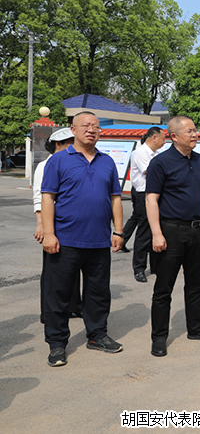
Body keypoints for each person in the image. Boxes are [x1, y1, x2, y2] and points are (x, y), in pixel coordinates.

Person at [41, 111, 125, 367]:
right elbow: (48, 197)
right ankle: (57, 344)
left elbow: (115, 198)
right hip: (64, 240)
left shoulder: (107, 162)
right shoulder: (58, 160)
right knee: (59, 294)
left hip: (99, 240)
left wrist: (119, 231)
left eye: (96, 127)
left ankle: (97, 335)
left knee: (98, 293)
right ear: (73, 130)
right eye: (86, 126)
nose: (91, 130)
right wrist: (49, 233)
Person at [145, 116, 200, 357]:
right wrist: (156, 233)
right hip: (171, 230)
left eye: (196, 130)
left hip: (198, 230)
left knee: (197, 282)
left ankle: (196, 327)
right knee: (164, 287)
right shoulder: (161, 163)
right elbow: (151, 199)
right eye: (189, 131)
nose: (195, 134)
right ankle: (159, 337)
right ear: (174, 136)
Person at [33, 128, 80, 324]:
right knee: (52, 271)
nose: (73, 146)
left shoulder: (75, 162)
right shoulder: (46, 165)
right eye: (69, 143)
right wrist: (41, 225)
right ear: (58, 145)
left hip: (72, 224)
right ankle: (48, 311)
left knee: (74, 267)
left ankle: (75, 306)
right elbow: (40, 198)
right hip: (53, 225)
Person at [121, 126, 164, 282]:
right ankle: (139, 268)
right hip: (143, 195)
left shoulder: (157, 155)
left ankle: (156, 265)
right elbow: (151, 172)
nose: (164, 142)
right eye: (163, 139)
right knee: (144, 232)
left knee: (157, 230)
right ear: (154, 137)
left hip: (157, 194)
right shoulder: (140, 153)